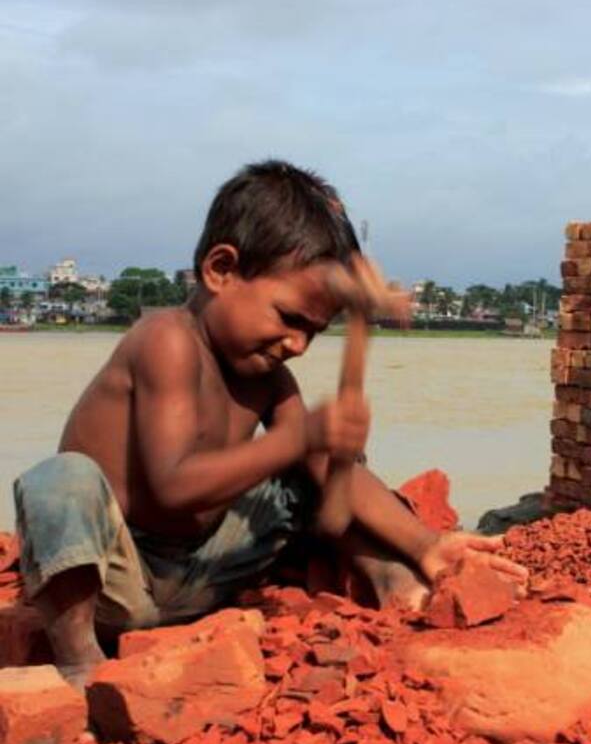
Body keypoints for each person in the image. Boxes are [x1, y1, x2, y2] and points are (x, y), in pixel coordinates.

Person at [12, 159, 528, 688]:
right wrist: (298, 437)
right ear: (221, 270)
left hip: (207, 572)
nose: (298, 345)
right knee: (59, 479)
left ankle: (385, 572)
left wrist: (426, 544)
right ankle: (78, 658)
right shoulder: (167, 341)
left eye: (314, 332)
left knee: (320, 471)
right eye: (289, 318)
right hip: (115, 582)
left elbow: (324, 469)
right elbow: (172, 486)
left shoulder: (269, 380)